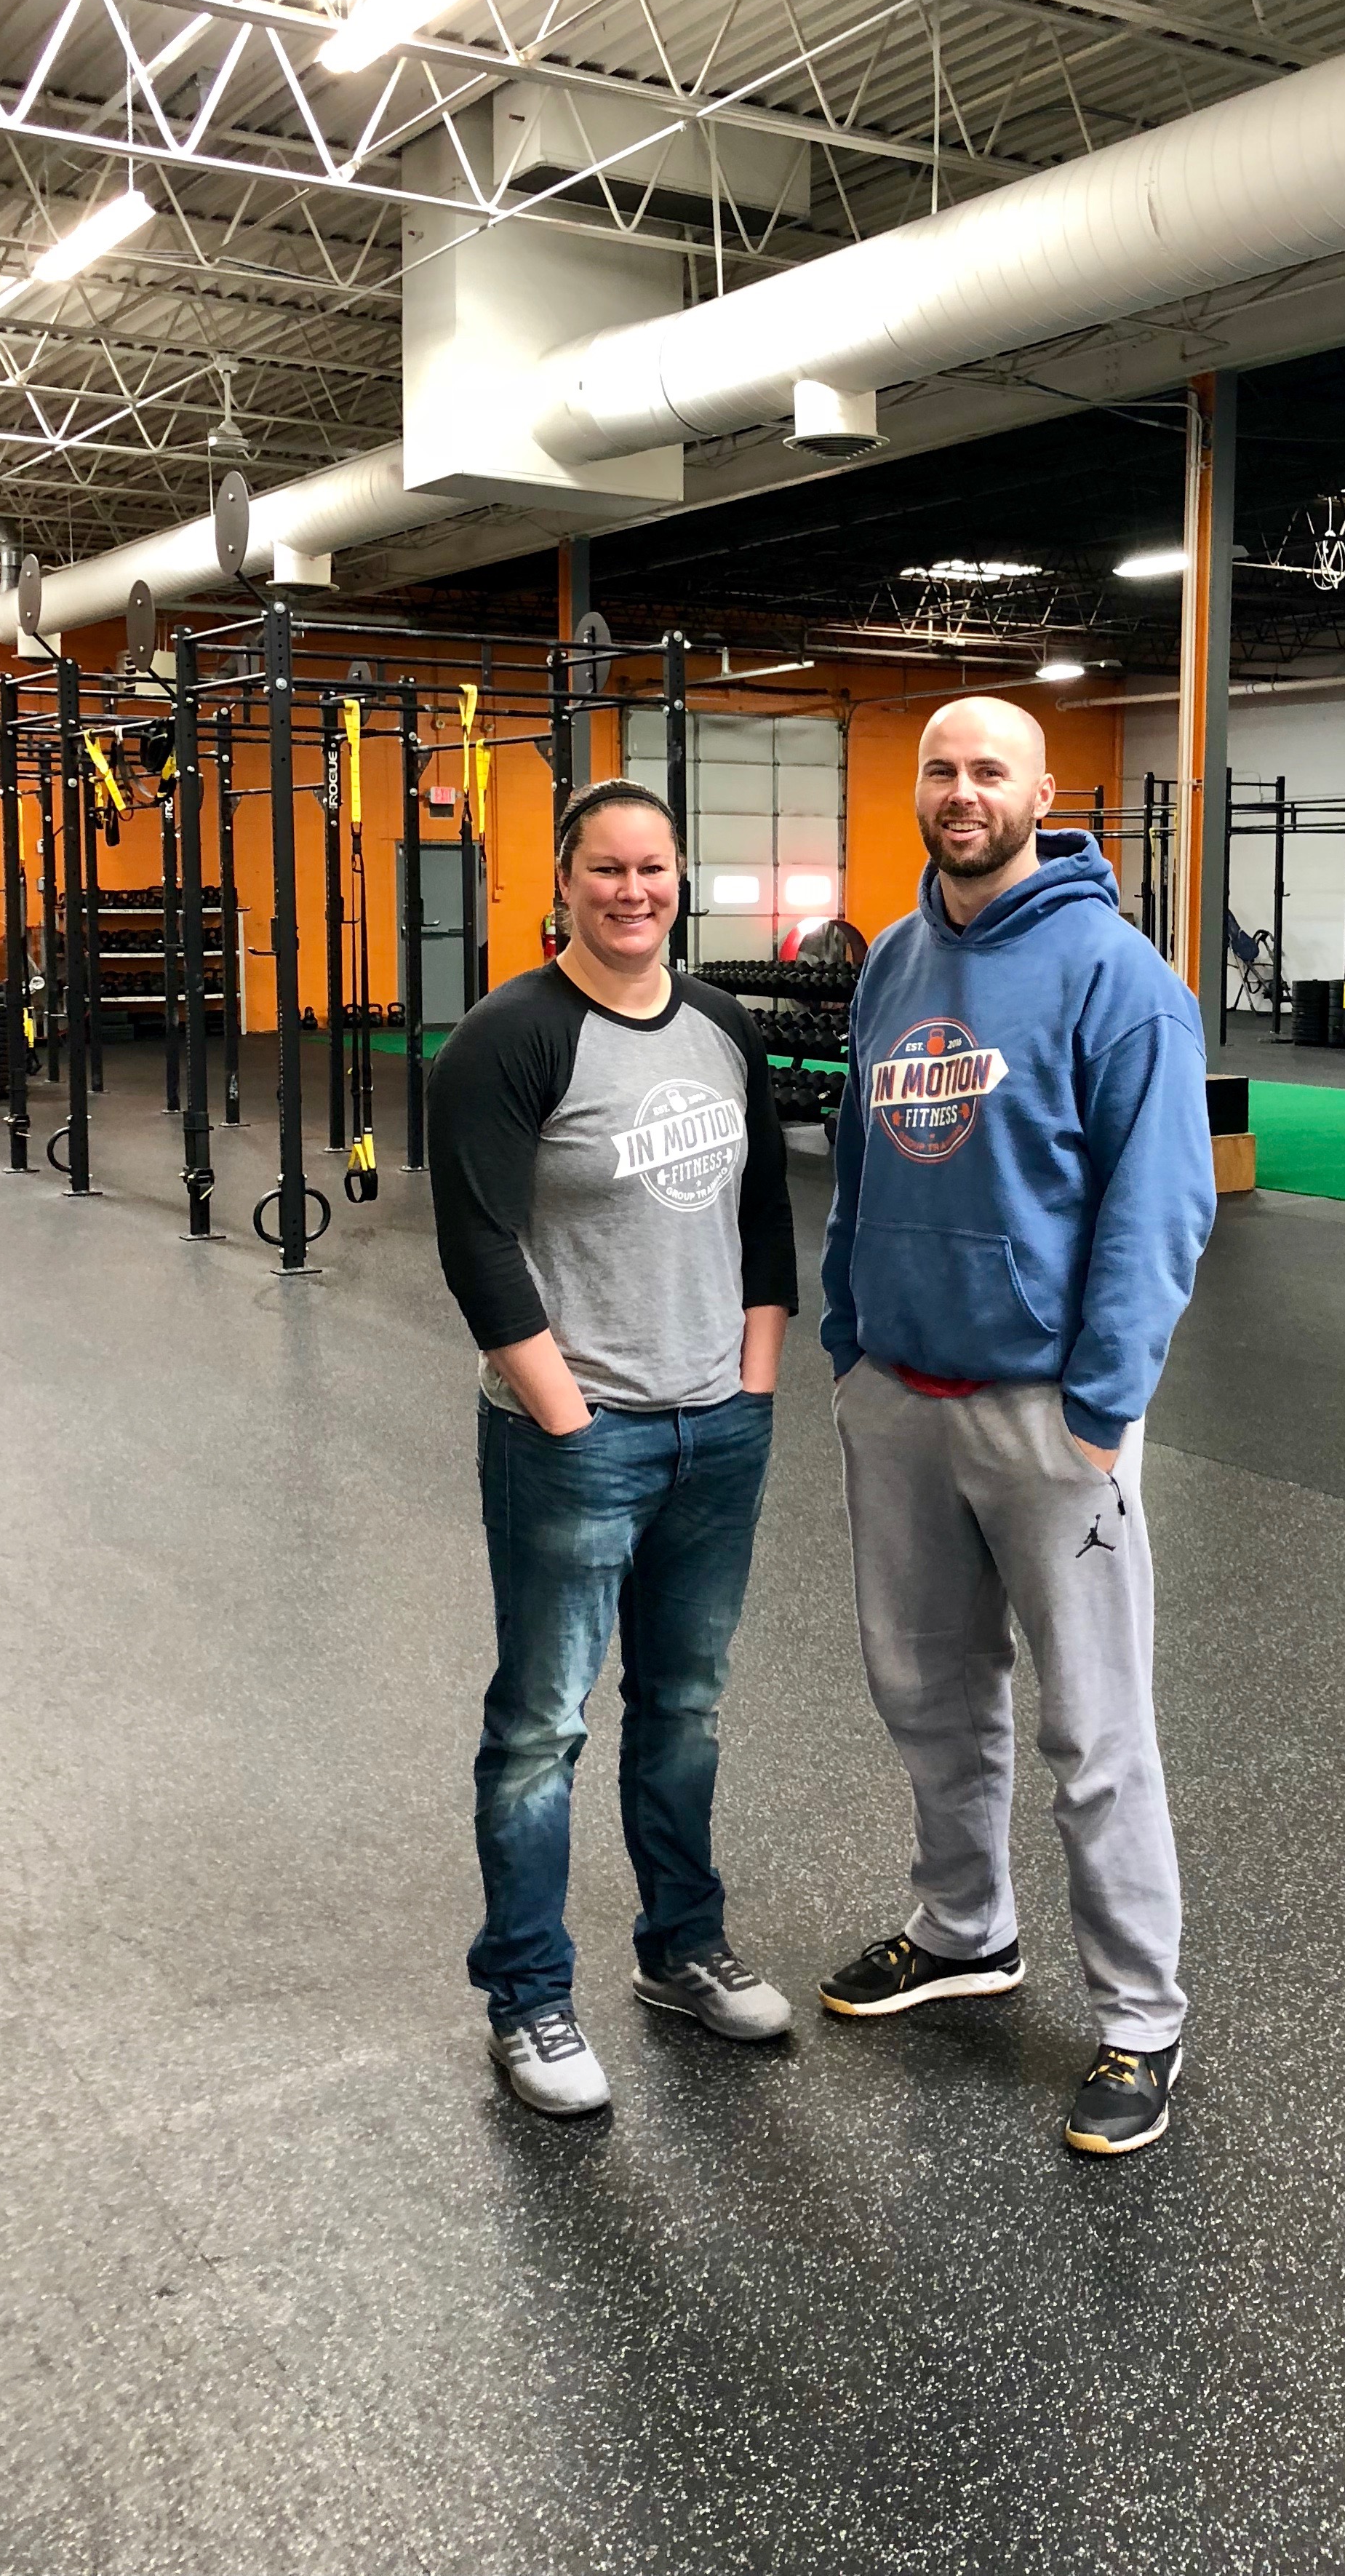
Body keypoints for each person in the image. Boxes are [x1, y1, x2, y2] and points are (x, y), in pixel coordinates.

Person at [818, 698, 1216, 2156]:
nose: (961, 790)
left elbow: (1161, 1204)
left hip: (1048, 1416)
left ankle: (1140, 2018)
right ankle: (963, 1931)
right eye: (940, 768)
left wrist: (1101, 1410)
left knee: (1092, 1730)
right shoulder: (893, 959)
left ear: (1046, 794)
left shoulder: (1118, 976)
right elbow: (856, 1161)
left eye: (990, 770)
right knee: (926, 1692)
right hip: (899, 1395)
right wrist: (849, 1335)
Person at [429, 779, 798, 2119]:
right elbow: (477, 1243)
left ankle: (680, 1946)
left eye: (653, 868)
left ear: (679, 878)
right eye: (606, 868)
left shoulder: (721, 1025)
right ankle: (528, 1997)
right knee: (543, 1726)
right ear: (565, 880)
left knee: (684, 1704)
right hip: (576, 1436)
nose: (632, 891)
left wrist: (751, 1383)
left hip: (717, 1425)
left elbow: (765, 1210)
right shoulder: (510, 1037)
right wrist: (566, 1413)